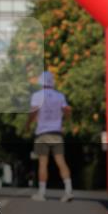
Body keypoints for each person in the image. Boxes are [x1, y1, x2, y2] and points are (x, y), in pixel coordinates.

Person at [25, 71, 74, 202]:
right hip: (57, 133)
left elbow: (33, 112)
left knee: (43, 163)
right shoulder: (60, 96)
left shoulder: (37, 96)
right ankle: (68, 190)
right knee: (61, 162)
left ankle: (42, 193)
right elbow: (67, 110)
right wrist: (67, 119)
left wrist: (28, 125)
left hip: (42, 133)